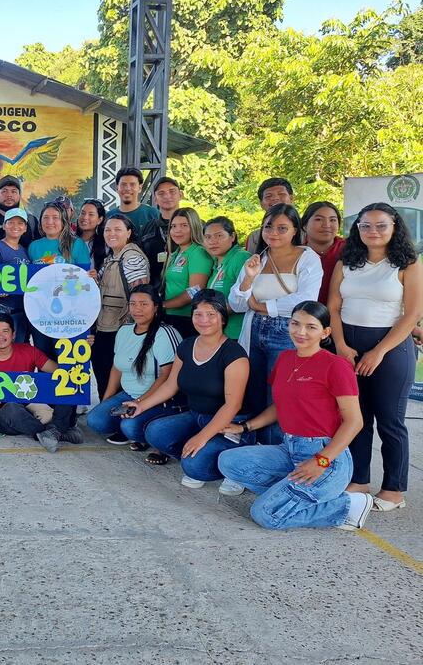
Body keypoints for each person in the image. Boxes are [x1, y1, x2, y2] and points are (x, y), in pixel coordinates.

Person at [217, 301, 372, 531]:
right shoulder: (285, 359)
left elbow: (354, 421)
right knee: (228, 461)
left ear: (325, 332)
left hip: (325, 456)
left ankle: (348, 505)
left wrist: (321, 461)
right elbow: (281, 407)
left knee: (264, 515)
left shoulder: (336, 366)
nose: (301, 332)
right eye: (295, 324)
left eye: (311, 327)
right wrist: (246, 427)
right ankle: (290, 496)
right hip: (288, 448)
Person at [328, 203, 421, 512]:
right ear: (357, 229)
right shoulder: (347, 262)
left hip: (391, 348)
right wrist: (340, 344)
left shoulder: (408, 264)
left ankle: (394, 489)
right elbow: (334, 306)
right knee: (357, 416)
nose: (373, 231)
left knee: (390, 420)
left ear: (394, 227)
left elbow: (412, 315)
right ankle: (359, 479)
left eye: (381, 225)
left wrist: (379, 351)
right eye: (365, 225)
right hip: (349, 345)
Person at [135, 290, 251, 493]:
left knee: (192, 467)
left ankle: (234, 467)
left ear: (222, 318)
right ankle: (199, 453)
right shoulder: (187, 345)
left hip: (228, 423)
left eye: (211, 314)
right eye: (198, 314)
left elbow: (233, 405)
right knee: (154, 432)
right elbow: (171, 385)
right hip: (196, 415)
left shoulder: (234, 353)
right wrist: (140, 405)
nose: (204, 320)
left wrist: (203, 436)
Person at [229, 204, 322, 418]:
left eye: (282, 228)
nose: (273, 233)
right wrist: (249, 278)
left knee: (280, 393)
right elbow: (237, 303)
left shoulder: (307, 257)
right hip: (253, 329)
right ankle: (254, 444)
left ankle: (277, 445)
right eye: (268, 227)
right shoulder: (256, 259)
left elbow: (305, 301)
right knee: (253, 389)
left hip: (288, 331)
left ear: (295, 231)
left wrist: (262, 305)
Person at [86, 285, 182, 450]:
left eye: (144, 304)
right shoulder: (124, 331)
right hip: (128, 394)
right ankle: (134, 424)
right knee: (95, 420)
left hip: (157, 399)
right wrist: (106, 400)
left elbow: (167, 376)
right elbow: (116, 369)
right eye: (133, 304)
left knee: (129, 427)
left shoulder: (164, 333)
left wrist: (139, 402)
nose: (137, 309)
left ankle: (148, 432)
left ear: (156, 307)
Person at [0, 313, 81, 453]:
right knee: (10, 409)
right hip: (8, 415)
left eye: (5, 331)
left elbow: (59, 371)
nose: (0, 336)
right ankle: (57, 432)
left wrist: (82, 344)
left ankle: (52, 432)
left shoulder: (28, 350)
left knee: (68, 383)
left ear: (13, 334)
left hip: (32, 403)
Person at [92, 214, 150, 399]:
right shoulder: (113, 257)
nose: (111, 234)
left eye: (118, 229)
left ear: (129, 233)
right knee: (105, 372)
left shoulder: (131, 258)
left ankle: (115, 420)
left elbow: (141, 297)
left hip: (120, 327)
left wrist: (132, 330)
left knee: (115, 376)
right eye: (108, 230)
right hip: (107, 324)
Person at [28, 200, 92, 357]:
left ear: (64, 221)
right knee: (44, 359)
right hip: (41, 314)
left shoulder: (77, 244)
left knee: (67, 360)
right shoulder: (34, 246)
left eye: (55, 217)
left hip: (69, 315)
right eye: (46, 217)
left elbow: (85, 279)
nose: (50, 222)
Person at [161, 207, 213, 340]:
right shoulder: (177, 252)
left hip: (187, 319)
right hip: (169, 317)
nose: (177, 230)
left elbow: (195, 291)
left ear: (194, 227)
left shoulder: (198, 252)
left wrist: (162, 305)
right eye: (173, 226)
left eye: (184, 225)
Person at [0, 207, 35, 344]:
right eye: (11, 222)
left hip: (21, 310)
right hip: (1, 308)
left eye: (20, 223)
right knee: (1, 351)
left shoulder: (25, 251)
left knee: (18, 353)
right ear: (4, 226)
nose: (15, 226)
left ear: (25, 228)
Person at [202, 217, 250, 340]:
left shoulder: (241, 258)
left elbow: (247, 298)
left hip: (237, 334)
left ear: (232, 236)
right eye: (208, 237)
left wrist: (210, 314)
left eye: (219, 236)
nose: (212, 241)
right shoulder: (215, 263)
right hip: (218, 334)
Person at [139, 176, 182, 286]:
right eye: (161, 193)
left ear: (181, 195)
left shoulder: (196, 225)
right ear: (155, 199)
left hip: (185, 290)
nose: (167, 196)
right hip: (154, 290)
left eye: (172, 192)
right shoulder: (147, 228)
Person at [0, 176, 41, 248]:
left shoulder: (31, 221)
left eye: (14, 191)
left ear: (19, 196)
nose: (9, 195)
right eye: (4, 191)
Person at [302, 201, 344, 304]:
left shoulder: (351, 249)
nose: (327, 225)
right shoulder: (296, 253)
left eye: (333, 220)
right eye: (318, 219)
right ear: (304, 225)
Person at [243, 177, 294, 253]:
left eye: (281, 194)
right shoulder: (254, 238)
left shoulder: (307, 232)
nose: (275, 198)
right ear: (261, 204)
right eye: (268, 196)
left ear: (291, 198)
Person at [106, 167, 159, 235]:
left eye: (132, 184)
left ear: (140, 188)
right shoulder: (109, 216)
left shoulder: (152, 214)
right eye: (123, 184)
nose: (127, 188)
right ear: (117, 188)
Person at [76, 198, 107, 271]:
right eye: (82, 213)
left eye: (91, 214)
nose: (85, 217)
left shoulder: (105, 245)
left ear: (100, 220)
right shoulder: (68, 241)